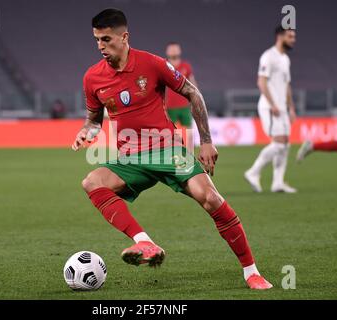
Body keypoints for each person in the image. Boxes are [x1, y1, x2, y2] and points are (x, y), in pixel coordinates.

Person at [72, 8, 272, 289]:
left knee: (211, 198)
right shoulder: (92, 77)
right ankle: (145, 244)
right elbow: (93, 120)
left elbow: (192, 92)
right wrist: (86, 132)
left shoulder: (152, 64)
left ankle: (251, 272)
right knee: (92, 182)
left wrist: (205, 141)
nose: (100, 46)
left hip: (167, 151)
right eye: (96, 40)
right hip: (130, 158)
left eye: (106, 39)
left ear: (124, 36)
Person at [244, 26, 297, 193]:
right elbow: (261, 82)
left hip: (282, 108)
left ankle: (278, 182)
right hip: (270, 107)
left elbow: (287, 85)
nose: (293, 40)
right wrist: (273, 104)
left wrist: (291, 108)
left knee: (286, 144)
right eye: (290, 36)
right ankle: (253, 172)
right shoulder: (269, 56)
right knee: (279, 143)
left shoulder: (285, 59)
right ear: (280, 36)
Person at [165, 42, 197, 148]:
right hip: (169, 107)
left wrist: (195, 99)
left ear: (179, 51)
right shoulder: (164, 66)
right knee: (170, 134)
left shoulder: (186, 66)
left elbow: (193, 85)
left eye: (175, 49)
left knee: (189, 133)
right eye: (171, 49)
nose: (173, 51)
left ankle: (190, 156)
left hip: (184, 105)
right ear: (167, 52)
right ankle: (172, 157)